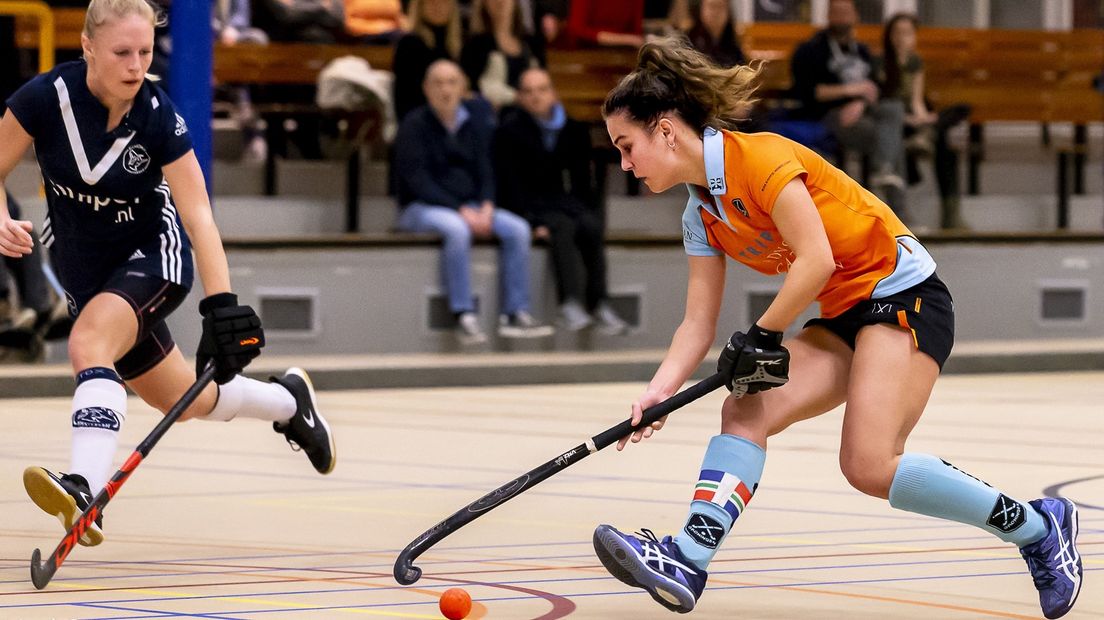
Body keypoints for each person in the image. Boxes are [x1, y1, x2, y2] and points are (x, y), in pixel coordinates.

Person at [589, 37, 1082, 620]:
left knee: (869, 465)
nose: (624, 162)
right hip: (845, 314)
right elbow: (696, 322)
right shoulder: (700, 211)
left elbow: (815, 259)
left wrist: (762, 334)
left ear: (666, 131)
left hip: (903, 297)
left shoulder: (761, 159)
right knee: (745, 410)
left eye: (627, 146)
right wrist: (659, 390)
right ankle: (688, 559)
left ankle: (1038, 527)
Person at [0, 0, 336, 548]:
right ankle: (288, 402)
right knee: (185, 401)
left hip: (154, 256)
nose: (136, 65)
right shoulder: (44, 99)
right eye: (121, 53)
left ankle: (84, 487)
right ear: (87, 47)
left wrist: (221, 305)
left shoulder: (157, 115)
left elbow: (198, 212)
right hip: (86, 270)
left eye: (145, 52)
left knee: (88, 344)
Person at [393, 59, 554, 344]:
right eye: (438, 83)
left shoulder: (475, 124)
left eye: (452, 82)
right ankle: (463, 314)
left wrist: (488, 204)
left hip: (471, 206)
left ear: (463, 88)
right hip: (420, 208)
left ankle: (515, 314)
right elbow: (419, 182)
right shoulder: (413, 124)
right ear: (426, 89)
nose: (445, 89)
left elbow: (486, 171)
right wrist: (462, 210)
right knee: (456, 229)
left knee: (517, 228)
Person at [494, 68, 627, 334]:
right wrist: (530, 223)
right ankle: (569, 304)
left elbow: (582, 181)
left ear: (553, 94)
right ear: (520, 97)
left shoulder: (573, 129)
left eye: (542, 90)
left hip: (562, 201)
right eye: (529, 92)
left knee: (589, 225)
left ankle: (599, 303)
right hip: (530, 207)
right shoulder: (508, 131)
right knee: (562, 227)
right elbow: (508, 185)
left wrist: (583, 209)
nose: (536, 97)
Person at [790, 0, 907, 218]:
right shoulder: (811, 49)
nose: (842, 17)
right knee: (889, 138)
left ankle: (884, 174)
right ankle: (897, 212)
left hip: (861, 111)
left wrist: (860, 102)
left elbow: (873, 88)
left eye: (847, 12)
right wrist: (849, 91)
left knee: (893, 109)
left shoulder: (862, 51)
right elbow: (809, 92)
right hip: (829, 115)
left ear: (856, 16)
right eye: (837, 12)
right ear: (828, 16)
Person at [874, 13, 971, 230]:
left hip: (912, 120)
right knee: (928, 130)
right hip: (892, 120)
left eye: (907, 33)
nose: (901, 38)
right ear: (889, 36)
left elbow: (917, 100)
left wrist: (922, 117)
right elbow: (883, 102)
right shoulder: (880, 62)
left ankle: (951, 214)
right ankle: (922, 139)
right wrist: (909, 119)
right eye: (897, 33)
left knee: (949, 133)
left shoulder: (915, 62)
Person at [460, 0, 545, 110]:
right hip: (491, 114)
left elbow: (543, 79)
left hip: (530, 112)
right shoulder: (475, 44)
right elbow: (470, 89)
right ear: (484, 4)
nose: (499, 2)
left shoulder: (532, 42)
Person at [392, 0, 465, 122]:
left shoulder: (459, 45)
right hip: (422, 120)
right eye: (431, 2)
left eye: (444, 2)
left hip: (454, 117)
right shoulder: (409, 44)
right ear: (420, 6)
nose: (438, 7)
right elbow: (405, 97)